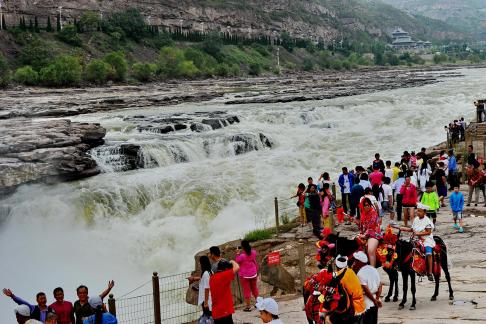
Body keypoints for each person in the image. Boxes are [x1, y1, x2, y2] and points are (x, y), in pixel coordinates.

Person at [397, 203, 436, 281]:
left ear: (424, 212)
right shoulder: (416, 219)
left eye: (420, 211)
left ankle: (430, 273)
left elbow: (428, 232)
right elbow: (412, 229)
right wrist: (402, 228)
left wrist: (418, 233)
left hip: (426, 239)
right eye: (417, 211)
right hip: (416, 238)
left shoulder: (427, 221)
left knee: (429, 253)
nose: (418, 212)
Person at [323, 256, 366, 324]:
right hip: (361, 305)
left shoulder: (338, 276)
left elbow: (334, 291)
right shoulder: (351, 271)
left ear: (337, 266)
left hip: (350, 307)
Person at [352, 251, 383, 324]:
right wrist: (377, 299)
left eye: (356, 261)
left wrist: (374, 300)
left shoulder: (360, 273)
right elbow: (380, 285)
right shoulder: (373, 269)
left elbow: (365, 289)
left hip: (367, 301)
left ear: (360, 262)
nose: (354, 263)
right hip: (375, 299)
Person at [236, 240, 259, 312]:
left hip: (245, 276)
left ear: (242, 246)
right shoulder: (253, 252)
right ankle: (259, 303)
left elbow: (237, 260)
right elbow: (252, 257)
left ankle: (248, 307)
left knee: (247, 291)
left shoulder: (242, 256)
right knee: (254, 288)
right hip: (253, 273)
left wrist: (237, 253)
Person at [359, 198, 382, 267]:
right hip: (365, 233)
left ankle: (373, 270)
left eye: (368, 205)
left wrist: (364, 235)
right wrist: (355, 221)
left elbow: (371, 226)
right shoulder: (363, 214)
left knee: (371, 250)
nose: (367, 206)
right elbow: (362, 226)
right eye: (365, 205)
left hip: (374, 234)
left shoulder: (373, 213)